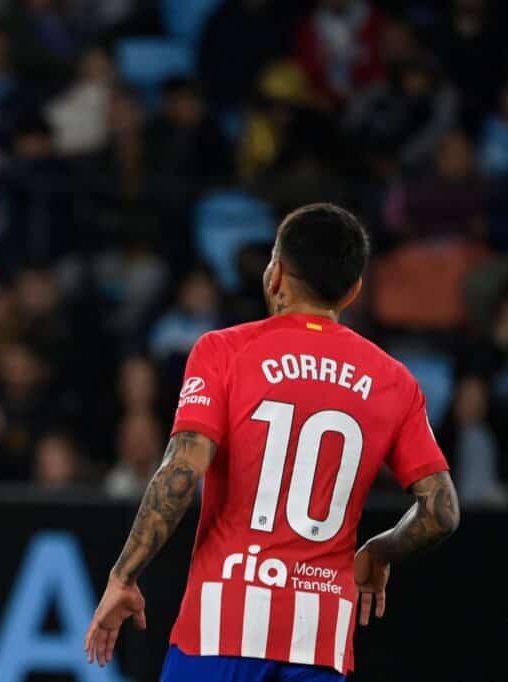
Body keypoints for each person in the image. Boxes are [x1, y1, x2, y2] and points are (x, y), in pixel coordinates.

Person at [85, 203, 461, 680]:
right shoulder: (395, 381)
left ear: (276, 273)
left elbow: (180, 472)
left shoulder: (222, 351)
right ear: (354, 290)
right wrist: (379, 551)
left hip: (220, 626)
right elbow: (441, 511)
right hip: (320, 638)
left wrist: (125, 576)